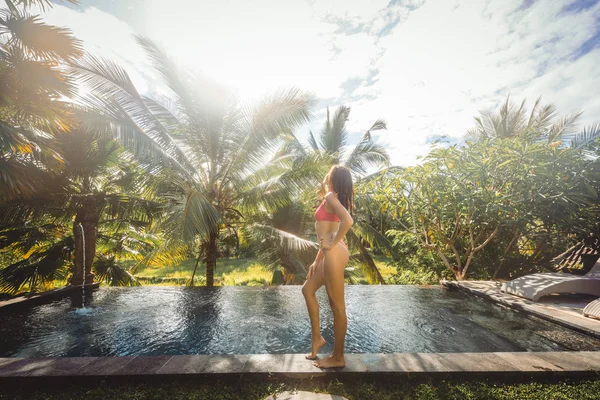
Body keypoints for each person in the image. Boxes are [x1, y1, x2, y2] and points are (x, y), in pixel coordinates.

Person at [302, 165, 354, 368]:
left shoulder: (331, 196)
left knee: (337, 307)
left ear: (333, 179)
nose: (326, 177)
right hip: (329, 253)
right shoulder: (332, 197)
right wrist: (317, 261)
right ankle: (317, 339)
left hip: (334, 252)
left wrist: (332, 245)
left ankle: (338, 357)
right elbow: (329, 231)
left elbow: (347, 221)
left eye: (329, 175)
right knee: (307, 290)